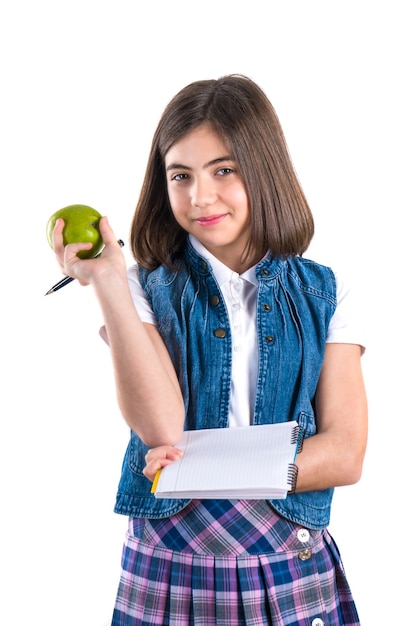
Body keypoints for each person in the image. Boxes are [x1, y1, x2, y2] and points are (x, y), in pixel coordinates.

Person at [51, 74, 368, 625]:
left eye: (224, 170)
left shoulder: (328, 291)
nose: (200, 196)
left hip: (287, 561)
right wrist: (106, 281)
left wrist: (195, 466)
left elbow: (344, 455)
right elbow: (162, 429)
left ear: (264, 168)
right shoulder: (138, 287)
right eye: (181, 175)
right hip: (168, 564)